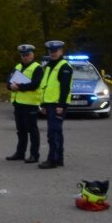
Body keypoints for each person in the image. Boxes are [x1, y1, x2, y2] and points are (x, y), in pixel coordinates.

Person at [6, 44, 44, 163]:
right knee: (20, 130)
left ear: (32, 55)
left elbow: (35, 84)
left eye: (27, 54)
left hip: (30, 104)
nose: (25, 57)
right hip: (18, 103)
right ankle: (20, 153)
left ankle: (34, 155)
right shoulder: (17, 66)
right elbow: (8, 80)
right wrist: (10, 85)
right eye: (22, 55)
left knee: (32, 130)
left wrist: (19, 86)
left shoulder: (37, 68)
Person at [39, 40, 73, 169]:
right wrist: (43, 104)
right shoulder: (49, 65)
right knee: (56, 132)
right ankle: (59, 159)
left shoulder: (64, 66)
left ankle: (52, 160)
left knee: (53, 133)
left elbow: (65, 88)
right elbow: (45, 86)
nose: (53, 53)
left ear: (61, 51)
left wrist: (61, 105)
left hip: (57, 105)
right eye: (51, 51)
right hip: (49, 104)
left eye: (56, 51)